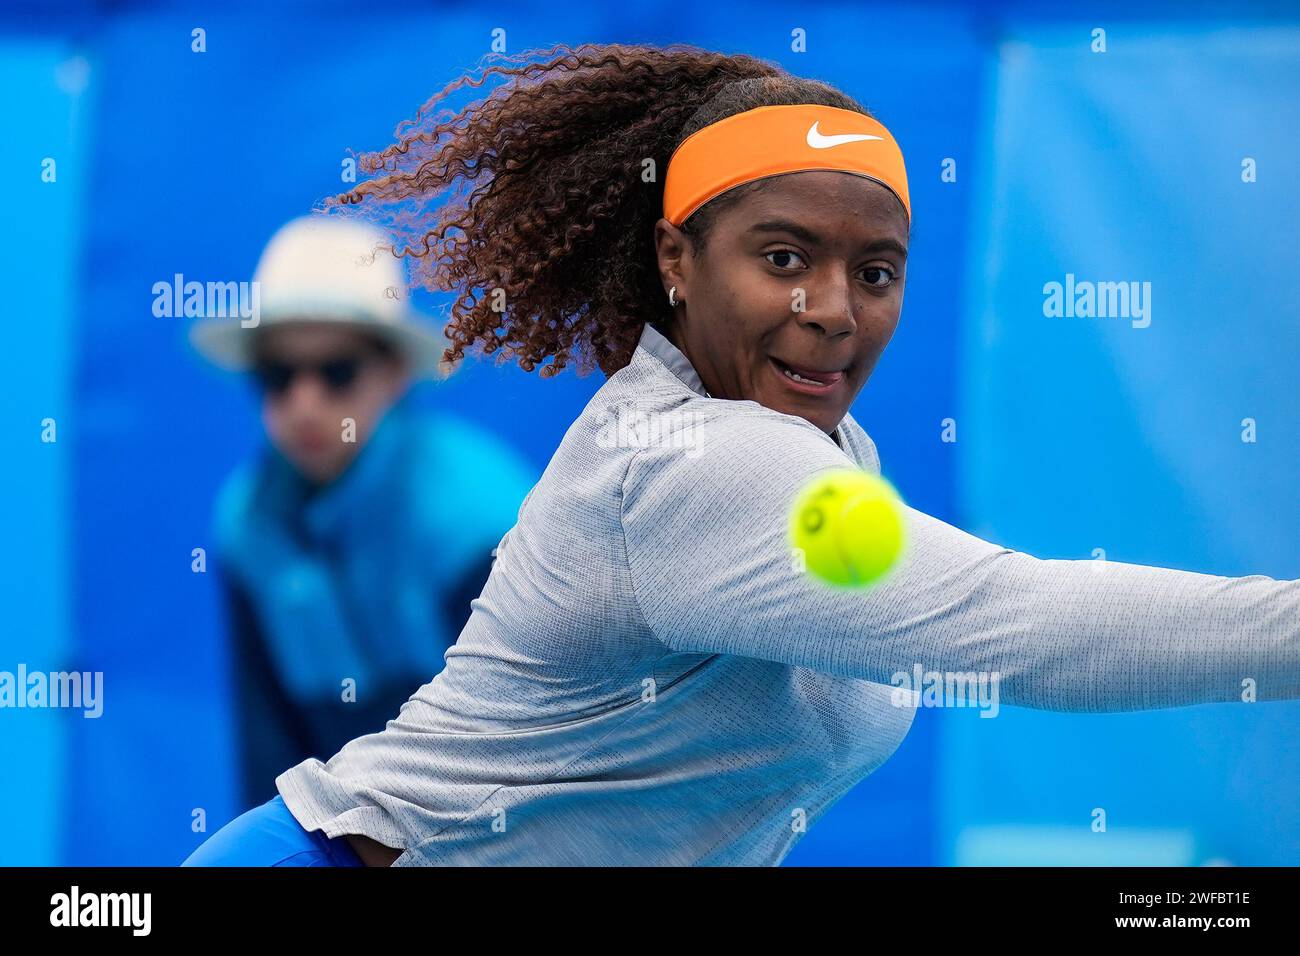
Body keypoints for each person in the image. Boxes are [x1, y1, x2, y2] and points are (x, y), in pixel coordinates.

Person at [184, 43, 1300, 868]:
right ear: (677, 258)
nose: (832, 310)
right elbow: (1023, 628)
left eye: (875, 271)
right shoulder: (689, 466)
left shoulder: (820, 456)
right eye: (782, 256)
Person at [188, 215, 537, 814]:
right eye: (278, 377)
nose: (305, 403)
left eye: (337, 372)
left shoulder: (481, 518)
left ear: (394, 374)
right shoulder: (244, 525)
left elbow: (517, 759)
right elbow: (268, 762)